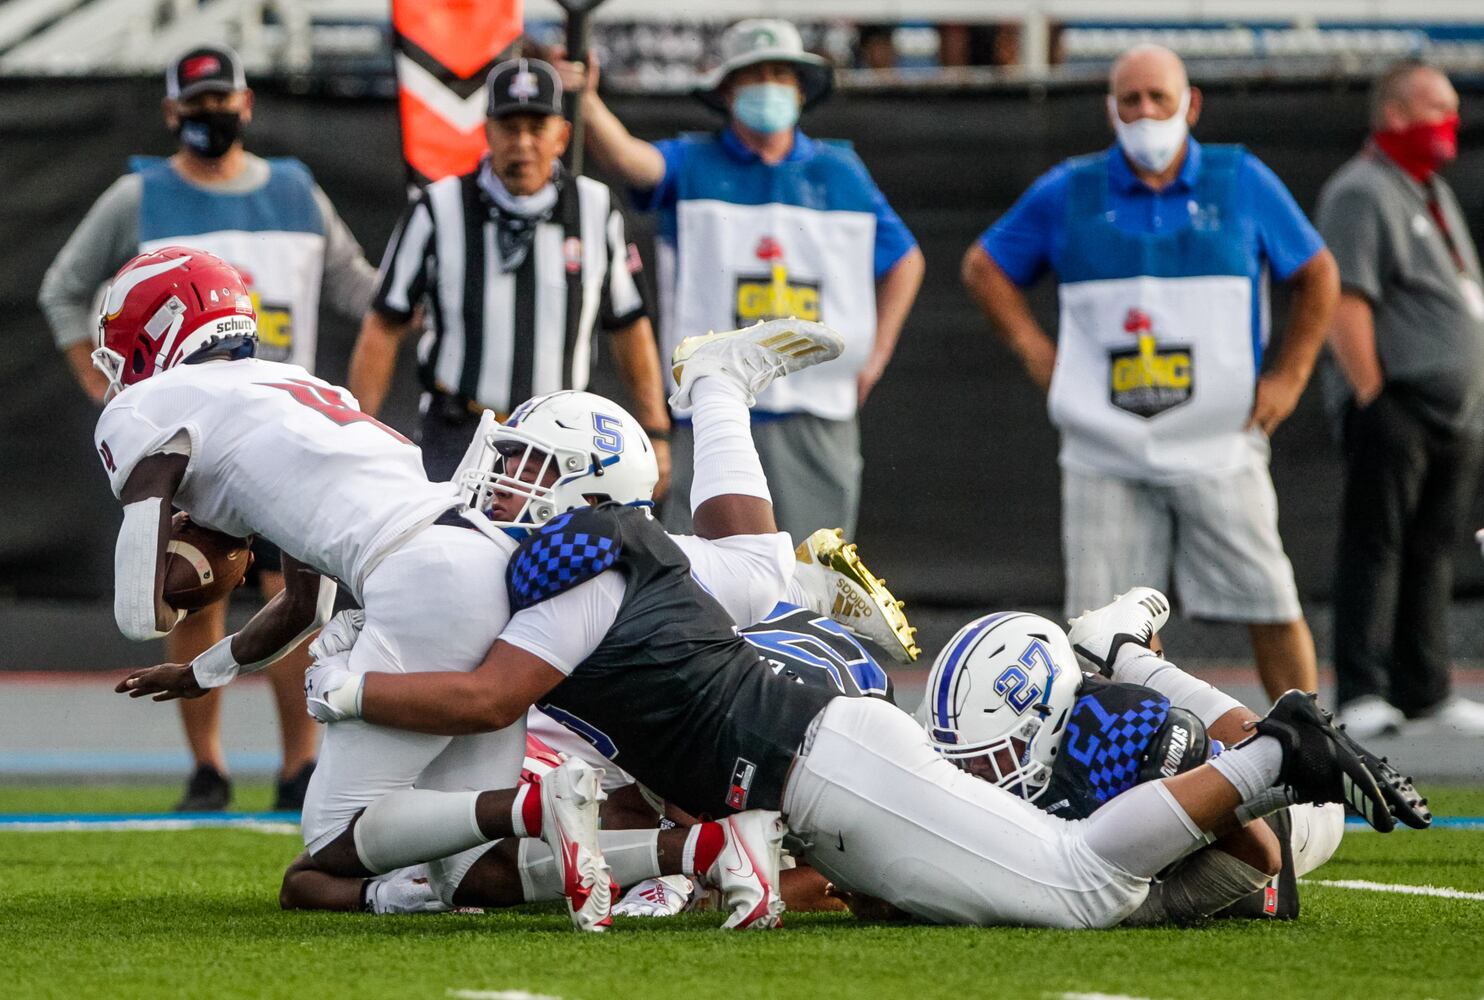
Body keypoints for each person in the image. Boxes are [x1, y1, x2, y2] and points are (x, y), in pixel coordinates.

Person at [300, 322, 1422, 931]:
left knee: (1082, 888)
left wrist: (348, 689)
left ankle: (1276, 748)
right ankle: (720, 386)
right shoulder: (603, 554)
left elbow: (490, 696)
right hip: (816, 758)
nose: (503, 484)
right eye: (512, 463)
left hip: (824, 765)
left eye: (533, 471)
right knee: (763, 578)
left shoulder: (586, 557)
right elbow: (739, 568)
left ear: (591, 498)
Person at [93, 246, 617, 931]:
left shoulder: (148, 403)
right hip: (486, 558)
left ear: (159, 327)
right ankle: (693, 855)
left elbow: (140, 610)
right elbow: (307, 604)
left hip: (420, 575)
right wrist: (204, 669)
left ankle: (535, 804)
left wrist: (194, 568)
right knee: (472, 872)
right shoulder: (299, 388)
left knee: (334, 839)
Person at [38, 43, 378, 810]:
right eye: (195, 105)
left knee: (293, 592)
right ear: (170, 113)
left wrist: (422, 282)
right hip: (193, 437)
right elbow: (64, 290)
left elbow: (360, 287)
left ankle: (301, 765)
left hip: (284, 431)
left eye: (222, 100)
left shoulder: (294, 191)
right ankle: (209, 767)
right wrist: (107, 391)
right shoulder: (139, 195)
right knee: (197, 585)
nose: (211, 115)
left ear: (247, 104)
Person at [961, 43, 1339, 703]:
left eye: (1158, 97)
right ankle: (1119, 778)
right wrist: (1036, 352)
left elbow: (1318, 273)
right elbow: (983, 266)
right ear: (1111, 110)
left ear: (1189, 104)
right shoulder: (1069, 188)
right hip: (1104, 447)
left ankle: (1308, 752)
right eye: (1130, 99)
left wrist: (1292, 375)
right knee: (1099, 630)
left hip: (1221, 441)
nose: (1145, 112)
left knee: (1272, 601)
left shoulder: (1240, 179)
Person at [555, 19, 925, 542]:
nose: (770, 86)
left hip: (815, 405)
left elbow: (906, 261)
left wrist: (877, 353)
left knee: (818, 565)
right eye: (754, 76)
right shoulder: (693, 161)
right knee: (701, 559)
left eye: (780, 74)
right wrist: (587, 101)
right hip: (711, 402)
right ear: (727, 91)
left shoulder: (842, 171)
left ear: (801, 88)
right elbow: (629, 160)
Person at [919, 589, 1356, 926]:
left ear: (1046, 725)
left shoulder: (1119, 737)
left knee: (1207, 748)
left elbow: (1261, 855)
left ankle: (1126, 654)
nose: (972, 775)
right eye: (965, 759)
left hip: (1283, 822)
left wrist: (1148, 907)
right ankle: (1122, 650)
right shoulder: (1016, 737)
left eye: (986, 759)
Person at [350, 57, 672, 492]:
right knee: (453, 553)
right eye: (509, 127)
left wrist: (656, 431)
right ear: (487, 131)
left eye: (536, 128)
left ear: (562, 135)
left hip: (564, 440)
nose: (522, 143)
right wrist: (357, 433)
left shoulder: (596, 209)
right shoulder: (438, 207)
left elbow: (629, 325)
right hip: (459, 430)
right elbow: (384, 323)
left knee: (556, 558)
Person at [1315, 60, 1484, 738]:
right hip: (1397, 404)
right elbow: (1344, 297)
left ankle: (1426, 687)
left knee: (1433, 547)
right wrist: (1372, 394)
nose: (1450, 122)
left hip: (1455, 414)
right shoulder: (1361, 191)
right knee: (1375, 544)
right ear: (1392, 114)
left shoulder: (1429, 191)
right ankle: (1361, 688)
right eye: (1434, 108)